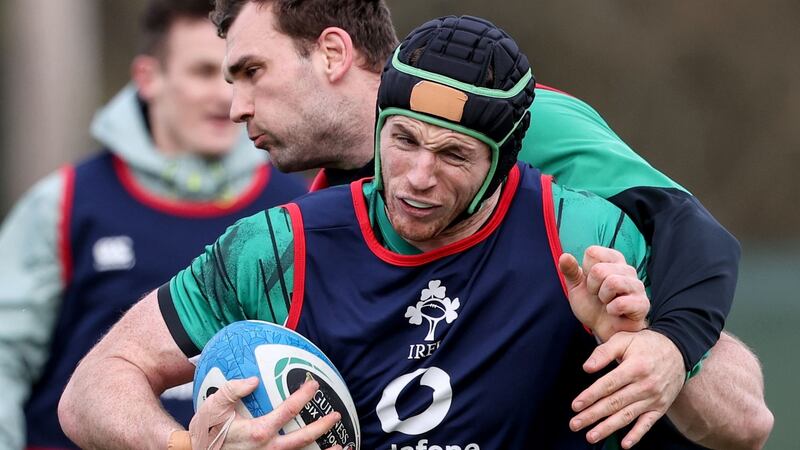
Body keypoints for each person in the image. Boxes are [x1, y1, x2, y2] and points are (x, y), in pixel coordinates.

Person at [60, 14, 770, 450]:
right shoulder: (281, 245)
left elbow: (748, 424)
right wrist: (188, 445)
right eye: (402, 141)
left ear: (504, 160)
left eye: (455, 155)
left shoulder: (578, 232)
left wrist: (654, 349)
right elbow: (93, 387)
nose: (418, 177)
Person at [0, 0, 307, 448]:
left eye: (236, 75)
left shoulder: (297, 205)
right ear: (148, 78)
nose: (224, 96)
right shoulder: (65, 203)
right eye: (203, 73)